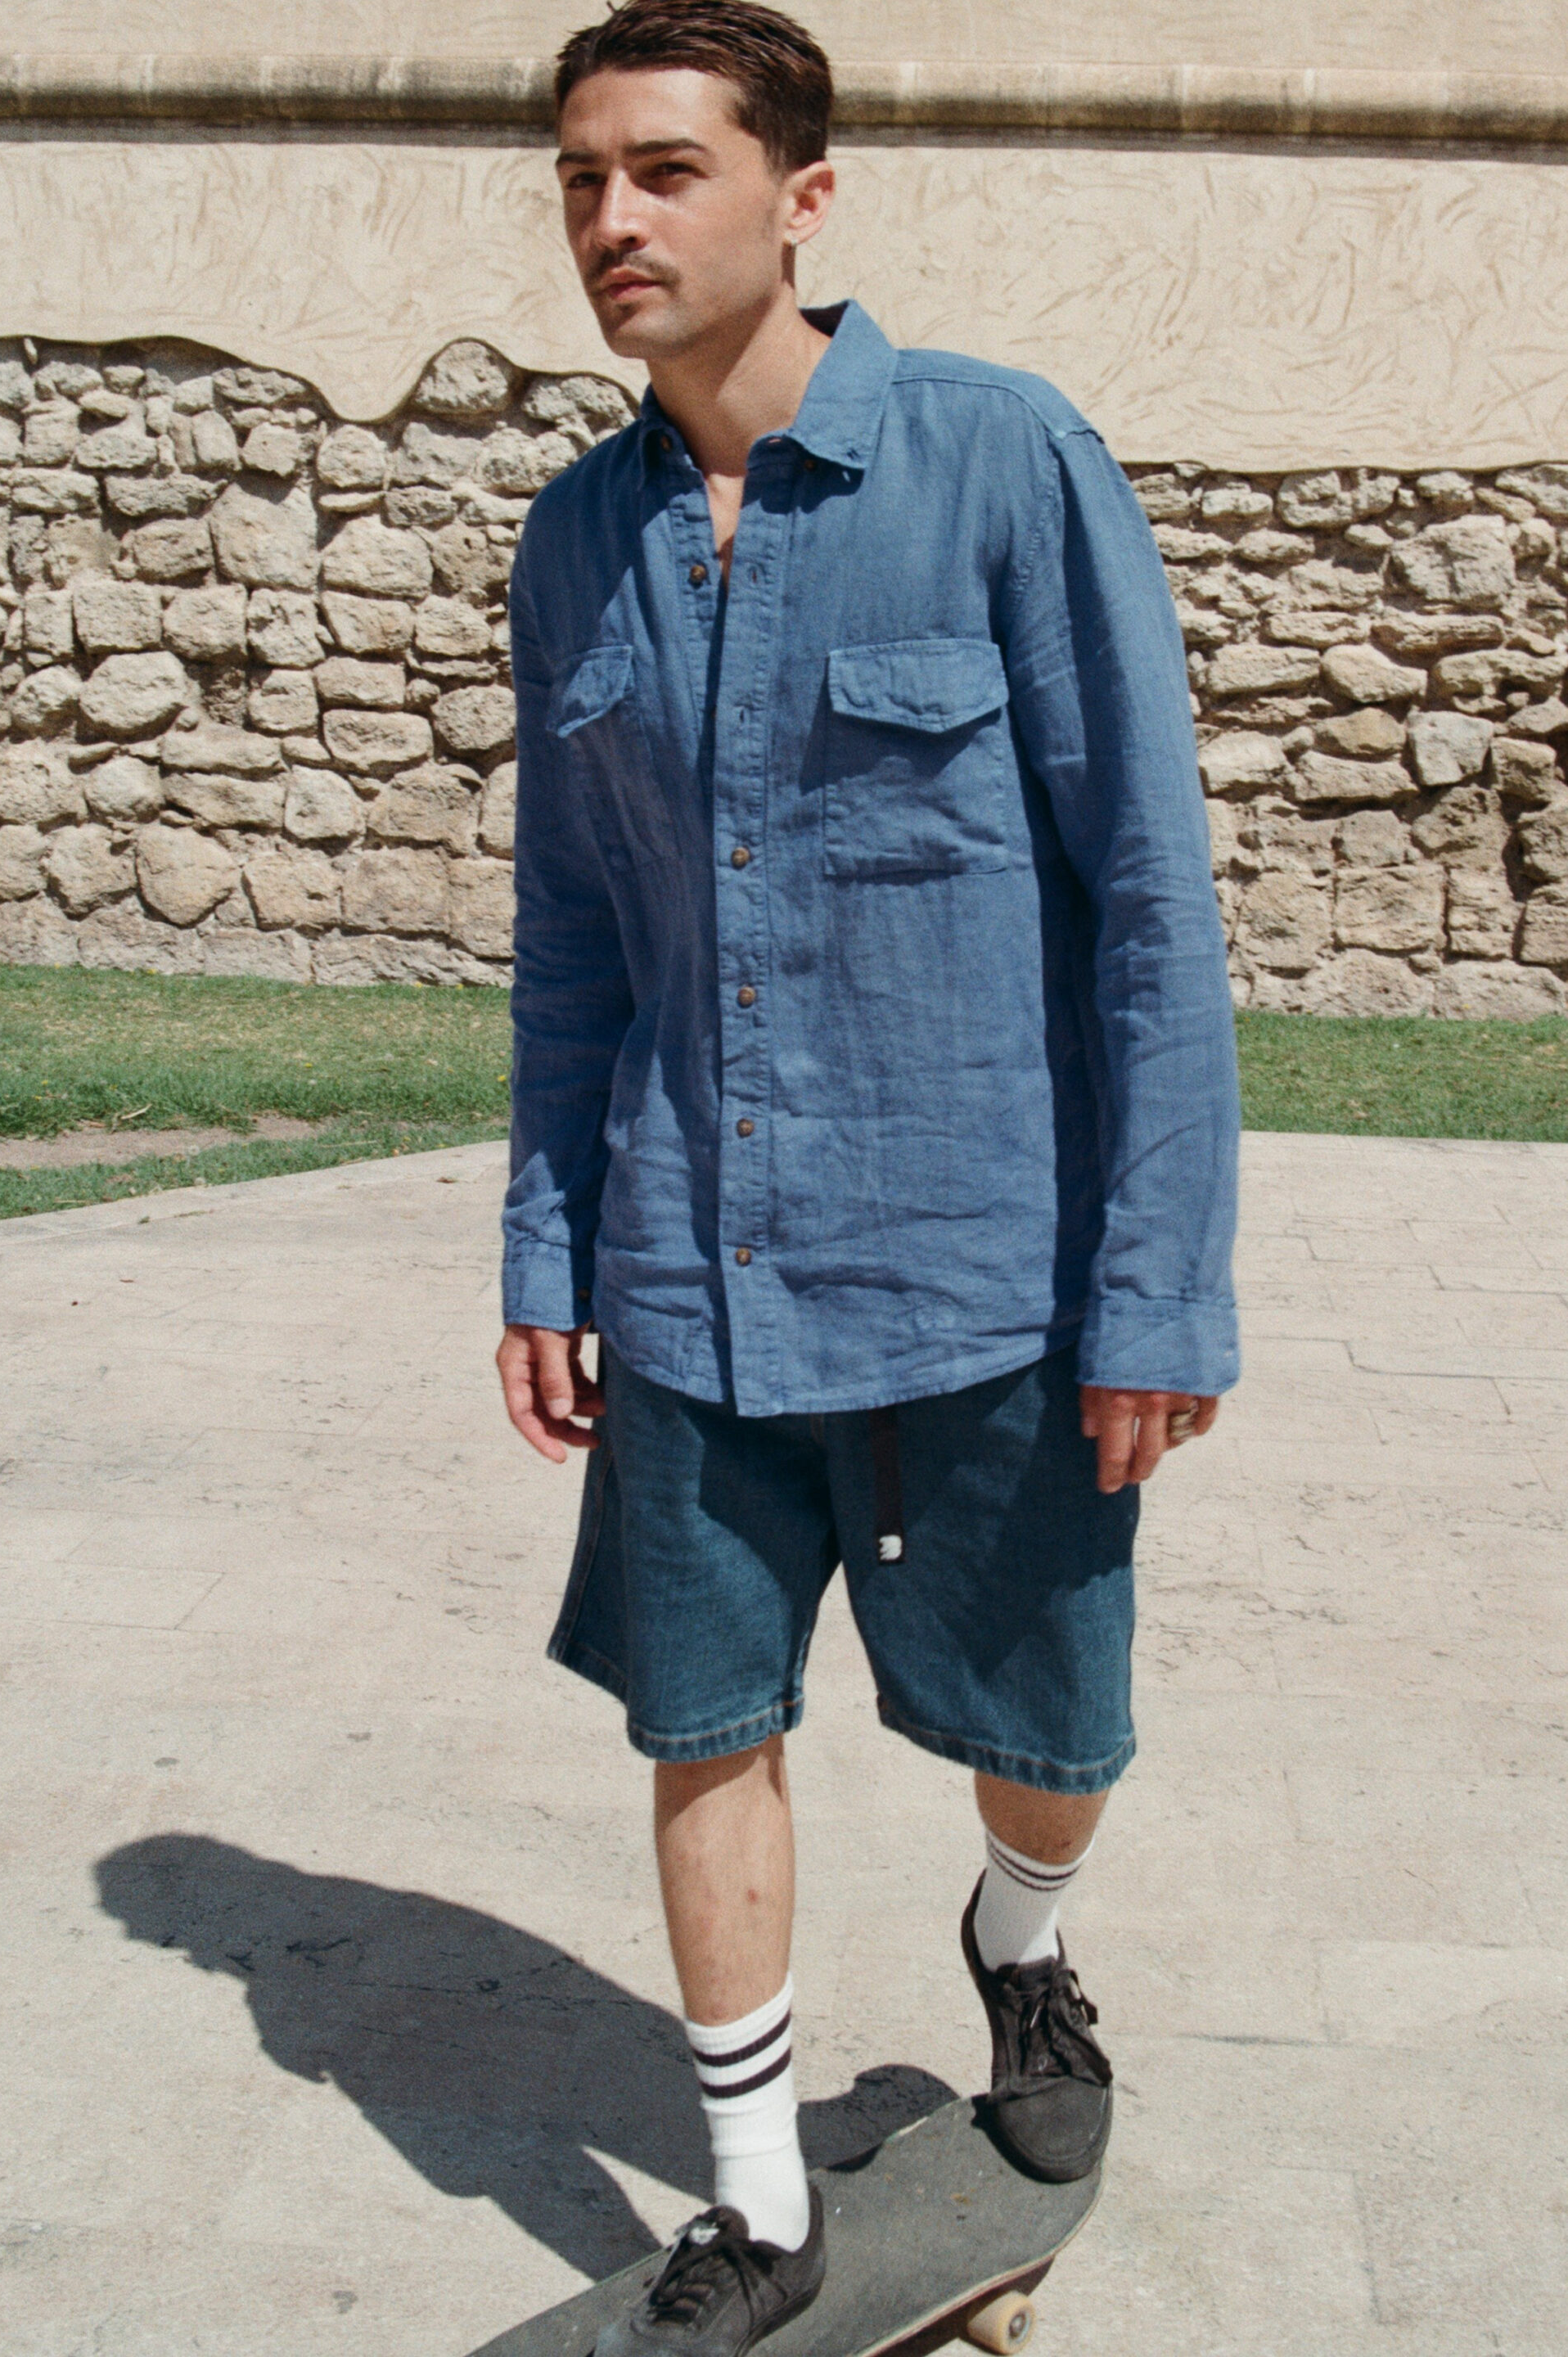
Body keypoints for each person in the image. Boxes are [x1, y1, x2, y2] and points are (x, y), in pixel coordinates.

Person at [495, 5, 1240, 2350]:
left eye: (664, 171)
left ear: (800, 199)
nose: (613, 220)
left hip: (983, 1277)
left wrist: (1156, 1293)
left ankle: (1019, 1952)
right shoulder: (575, 540)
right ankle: (749, 2193)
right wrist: (544, 1240)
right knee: (698, 1722)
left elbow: (1144, 901)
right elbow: (572, 938)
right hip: (690, 1271)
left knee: (1055, 1738)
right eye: (582, 181)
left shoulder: (1000, 462)